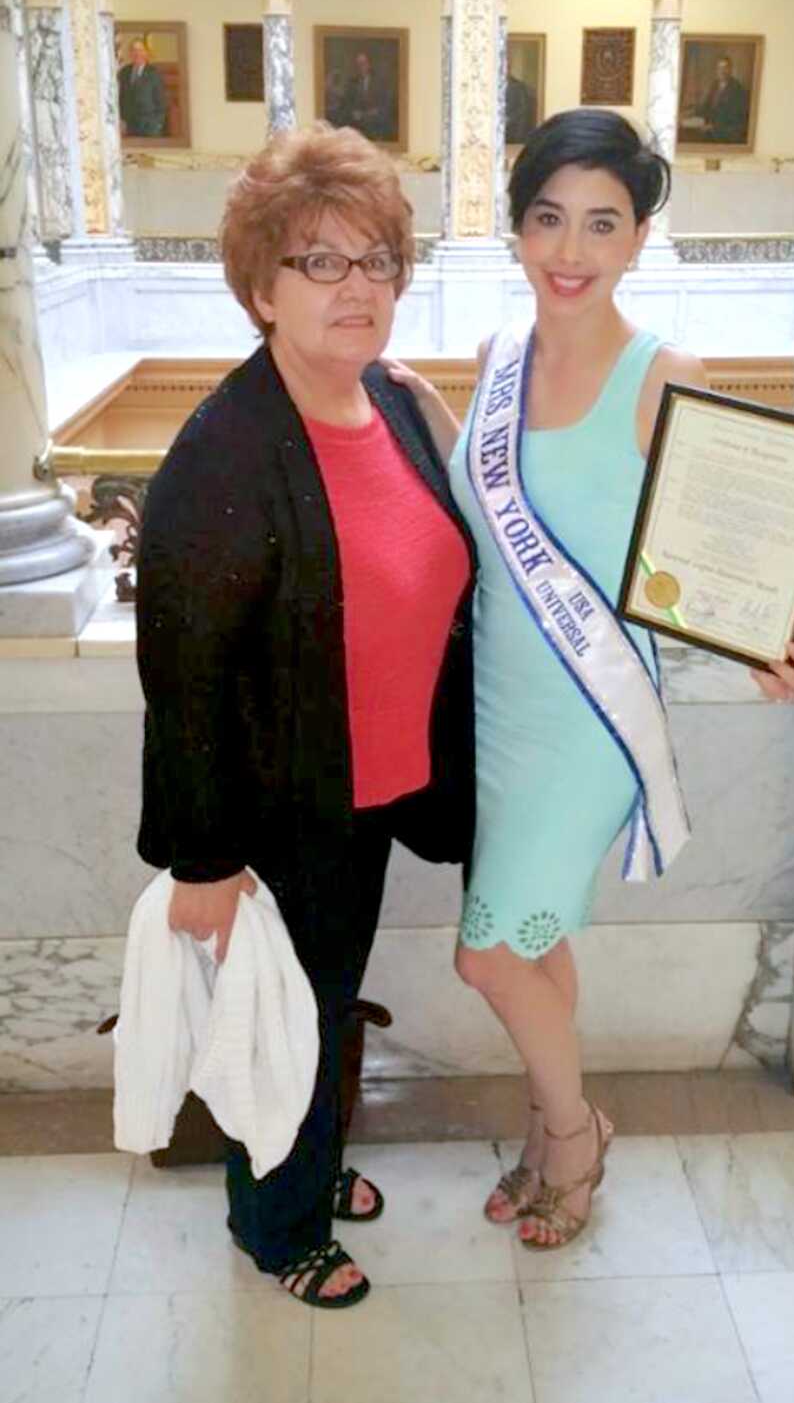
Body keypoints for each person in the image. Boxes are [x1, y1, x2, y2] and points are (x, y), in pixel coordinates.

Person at [388, 108, 794, 1252]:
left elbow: (719, 547)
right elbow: (483, 503)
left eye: (601, 224)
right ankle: (544, 1127)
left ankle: (576, 1136)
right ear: (518, 227)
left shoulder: (662, 372)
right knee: (533, 940)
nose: (569, 251)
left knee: (488, 951)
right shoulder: (497, 358)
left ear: (637, 239)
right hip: (495, 707)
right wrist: (420, 405)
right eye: (547, 220)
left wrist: (766, 641)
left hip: (584, 717)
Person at [135, 123, 475, 1309]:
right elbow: (183, 677)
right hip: (278, 806)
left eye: (376, 258)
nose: (357, 287)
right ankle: (277, 1229)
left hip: (371, 789)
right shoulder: (224, 451)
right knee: (286, 1024)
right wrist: (204, 858)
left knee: (324, 1006)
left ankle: (314, 1169)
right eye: (319, 262)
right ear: (259, 287)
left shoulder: (385, 399)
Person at [339, 50, 393, 140]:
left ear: (369, 64)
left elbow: (385, 105)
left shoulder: (380, 82)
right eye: (358, 64)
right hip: (357, 127)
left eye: (363, 63)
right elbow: (346, 105)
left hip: (375, 127)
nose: (361, 67)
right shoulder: (352, 83)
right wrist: (353, 113)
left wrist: (372, 113)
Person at [118, 38, 167, 137]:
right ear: (130, 53)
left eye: (140, 50)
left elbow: (161, 101)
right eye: (134, 50)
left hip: (149, 125)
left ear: (146, 53)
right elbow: (120, 97)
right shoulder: (124, 72)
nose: (137, 53)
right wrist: (121, 120)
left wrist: (157, 125)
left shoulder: (154, 73)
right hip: (129, 125)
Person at [695, 55, 750, 143]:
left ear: (731, 69)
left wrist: (713, 127)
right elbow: (705, 107)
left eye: (725, 67)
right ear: (716, 70)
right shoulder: (714, 86)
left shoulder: (738, 90)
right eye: (719, 68)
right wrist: (691, 115)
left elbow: (737, 120)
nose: (722, 71)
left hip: (726, 135)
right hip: (710, 130)